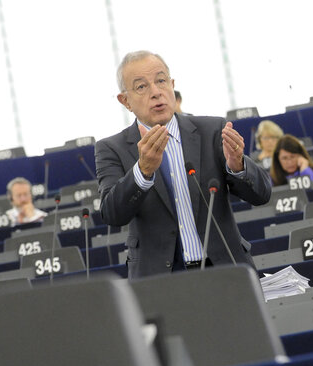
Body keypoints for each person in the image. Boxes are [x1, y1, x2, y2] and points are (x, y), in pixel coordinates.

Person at [95, 50, 272, 279]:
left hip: (226, 271)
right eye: (141, 87)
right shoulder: (112, 148)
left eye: (161, 81)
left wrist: (237, 165)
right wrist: (143, 171)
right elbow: (112, 214)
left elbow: (262, 195)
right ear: (125, 100)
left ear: (172, 84)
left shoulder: (212, 131)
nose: (156, 92)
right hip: (160, 281)